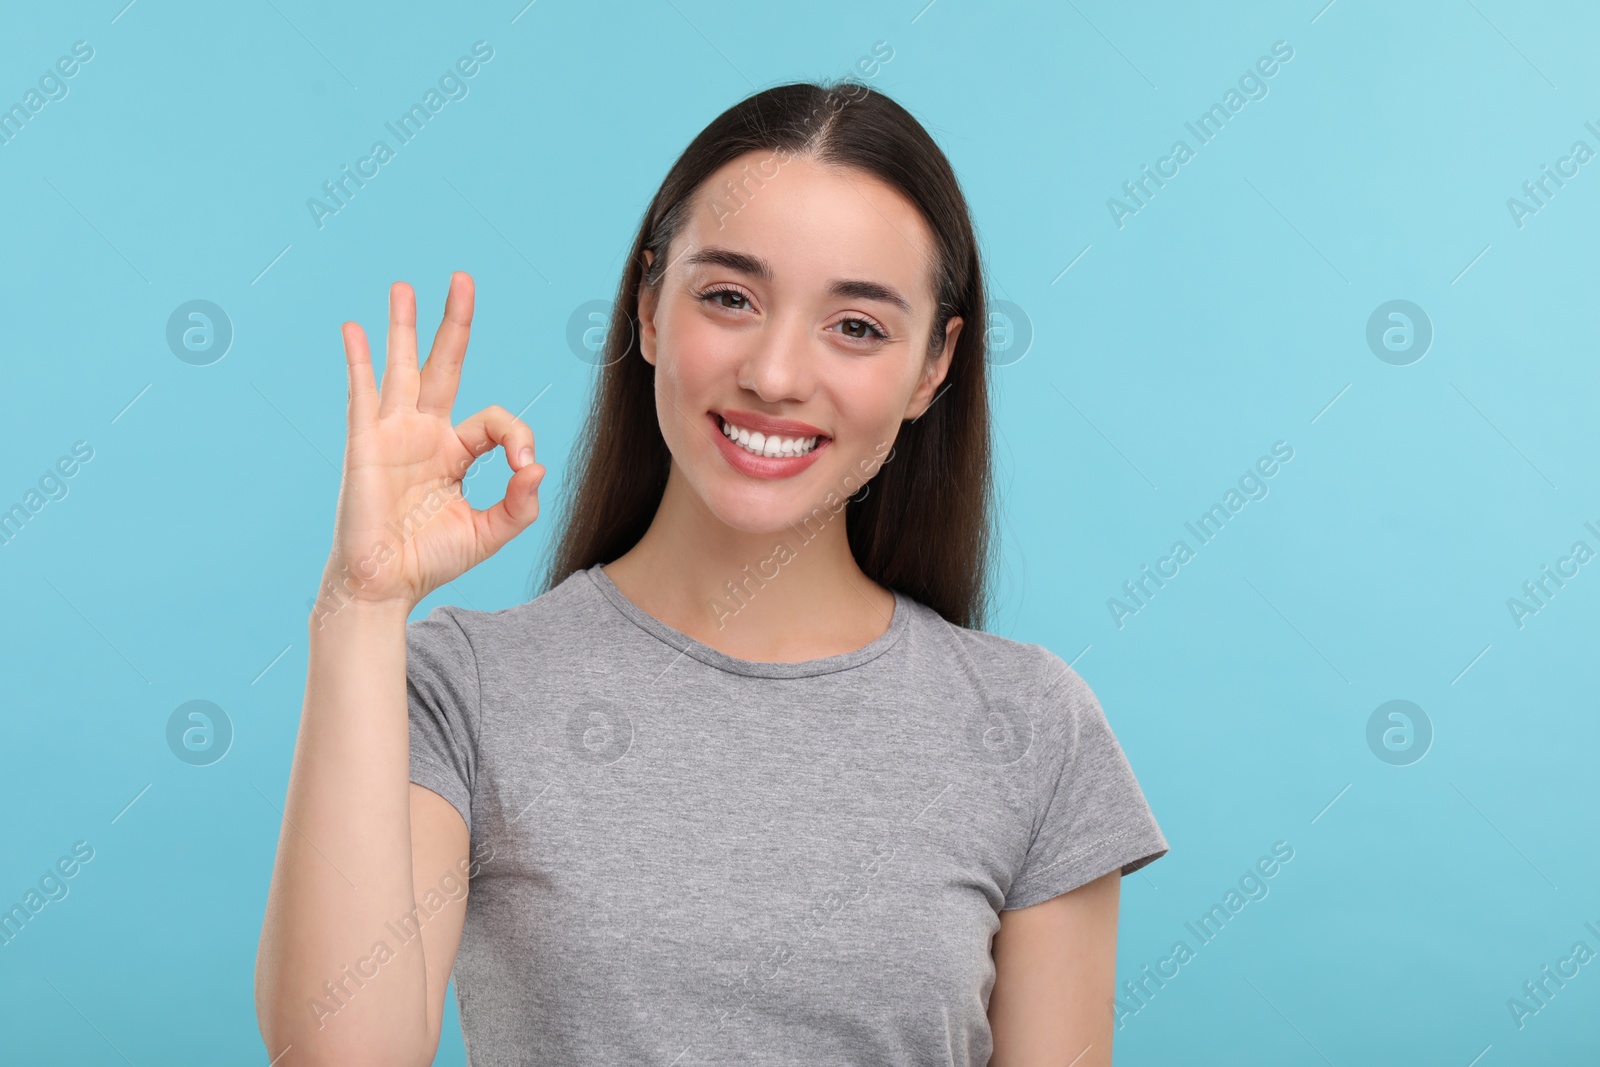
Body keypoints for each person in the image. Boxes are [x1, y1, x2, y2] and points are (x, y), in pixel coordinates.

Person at [255, 79, 1167, 1067]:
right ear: (649, 309)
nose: (775, 373)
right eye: (729, 297)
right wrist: (360, 606)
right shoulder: (462, 687)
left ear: (932, 367)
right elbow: (340, 1053)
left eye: (856, 324)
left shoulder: (1031, 725)